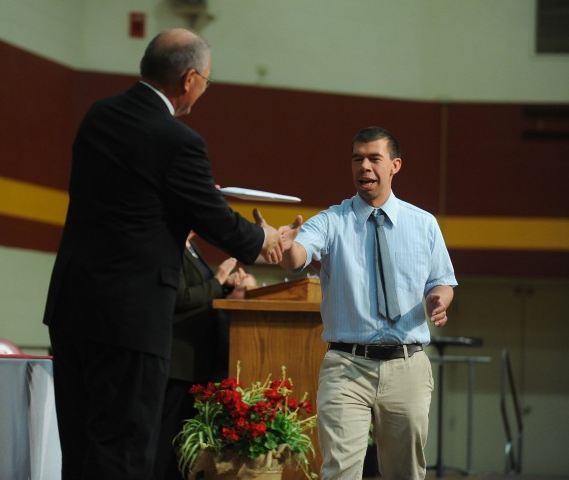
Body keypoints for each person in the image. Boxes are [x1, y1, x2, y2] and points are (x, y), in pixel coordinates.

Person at [42, 28, 287, 480]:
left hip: (73, 307)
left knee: (79, 447)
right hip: (130, 321)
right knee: (124, 450)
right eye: (208, 81)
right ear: (190, 79)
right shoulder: (178, 141)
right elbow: (213, 218)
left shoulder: (98, 116)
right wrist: (264, 240)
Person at [278, 126, 457, 479]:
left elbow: (442, 281)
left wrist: (439, 299)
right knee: (340, 472)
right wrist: (287, 249)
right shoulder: (332, 221)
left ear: (395, 165)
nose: (364, 167)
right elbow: (298, 254)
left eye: (374, 158)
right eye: (357, 159)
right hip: (347, 365)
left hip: (407, 365)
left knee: (405, 472)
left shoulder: (423, 224)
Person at [156, 232, 256, 479]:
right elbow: (179, 297)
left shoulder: (191, 244)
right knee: (168, 443)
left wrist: (225, 285)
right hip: (179, 360)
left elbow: (200, 294)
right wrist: (219, 278)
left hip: (196, 360)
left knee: (184, 446)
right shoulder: (170, 243)